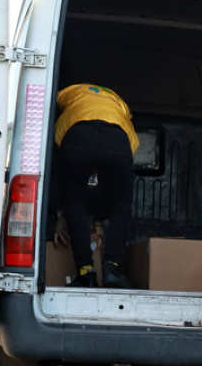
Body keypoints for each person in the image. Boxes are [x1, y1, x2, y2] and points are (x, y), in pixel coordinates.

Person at [53, 83, 139, 288]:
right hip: (118, 137)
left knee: (74, 202)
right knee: (121, 206)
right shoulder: (118, 101)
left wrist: (60, 214)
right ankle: (112, 269)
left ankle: (85, 272)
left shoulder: (64, 94)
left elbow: (57, 173)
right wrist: (98, 221)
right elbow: (107, 184)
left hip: (77, 132)